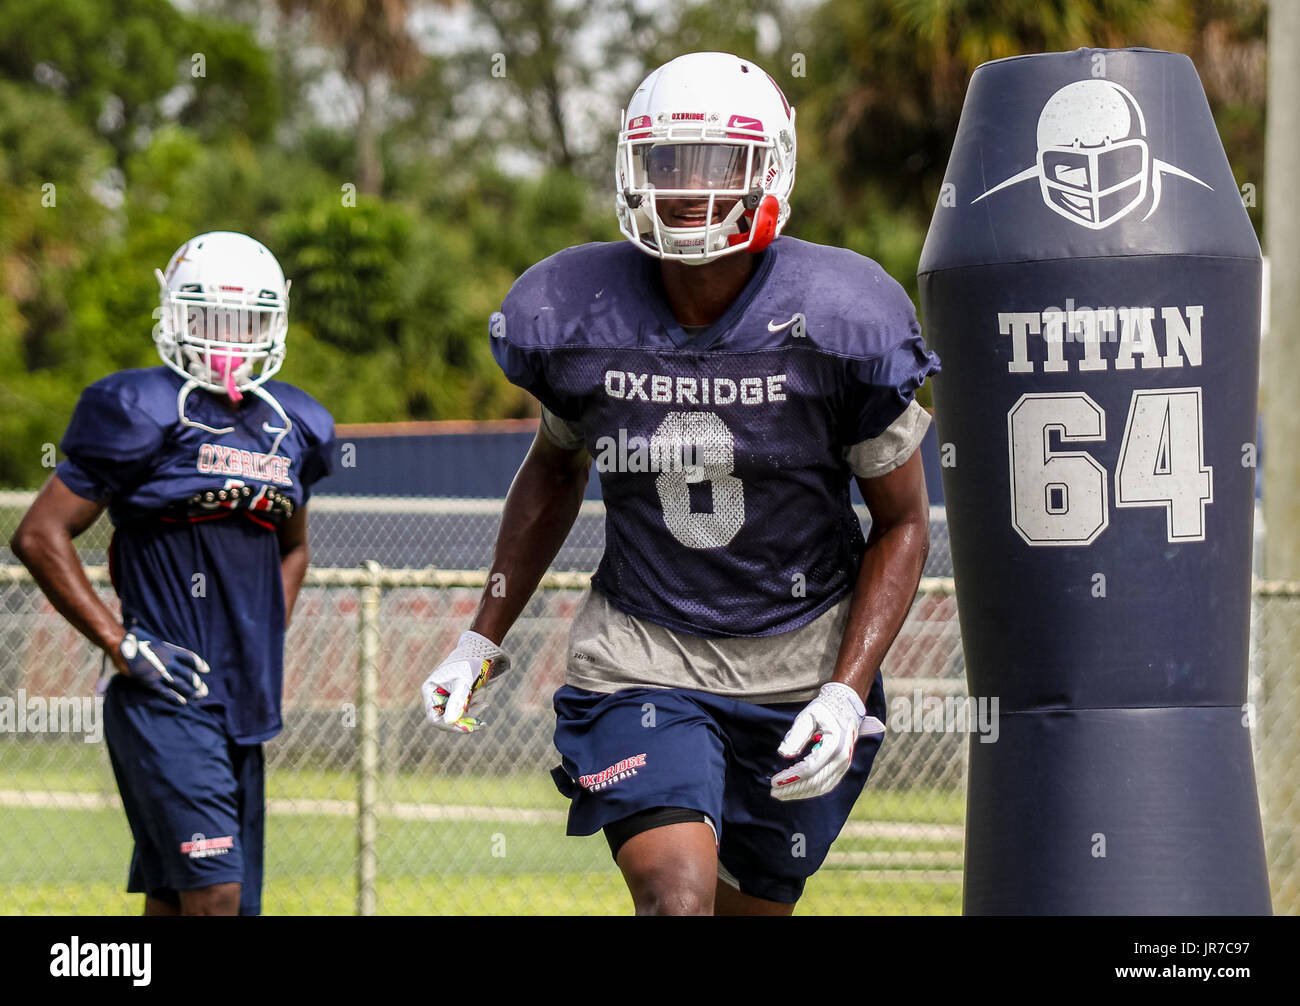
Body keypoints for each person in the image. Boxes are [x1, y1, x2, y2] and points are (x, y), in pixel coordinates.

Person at [421, 51, 939, 915]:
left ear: (770, 167)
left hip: (801, 663)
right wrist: (482, 636)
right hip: (644, 657)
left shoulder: (846, 320)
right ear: (633, 169)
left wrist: (848, 689)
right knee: (677, 898)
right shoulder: (580, 312)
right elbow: (554, 467)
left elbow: (905, 522)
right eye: (668, 162)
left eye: (716, 163)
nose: (690, 189)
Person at [11, 231, 335, 916]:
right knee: (215, 895)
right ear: (175, 313)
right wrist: (120, 643)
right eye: (212, 317)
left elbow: (295, 547)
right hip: (167, 693)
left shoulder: (293, 423)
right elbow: (40, 534)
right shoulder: (143, 407)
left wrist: (260, 631)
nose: (229, 339)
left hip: (246, 701)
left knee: (190, 899)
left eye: (246, 320)